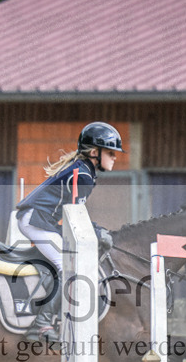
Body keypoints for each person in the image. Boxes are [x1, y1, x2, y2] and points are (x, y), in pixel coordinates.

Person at [14, 121, 123, 344]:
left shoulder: (86, 171)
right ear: (94, 152)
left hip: (41, 220)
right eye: (111, 152)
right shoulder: (82, 175)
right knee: (69, 265)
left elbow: (75, 217)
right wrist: (98, 232)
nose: (115, 157)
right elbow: (76, 216)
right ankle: (41, 323)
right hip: (36, 221)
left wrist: (98, 231)